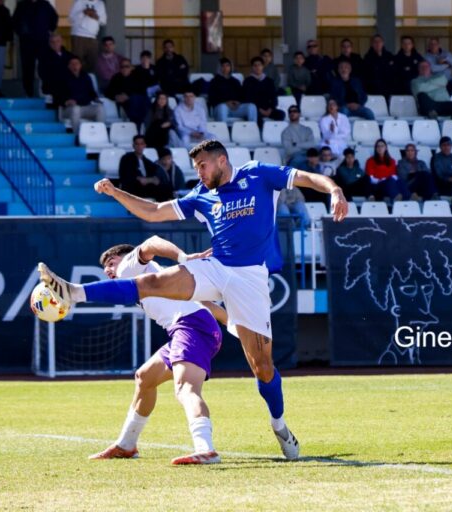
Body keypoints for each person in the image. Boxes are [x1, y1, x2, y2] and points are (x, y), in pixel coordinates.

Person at [38, 139, 350, 462]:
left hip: (250, 278)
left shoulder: (257, 174)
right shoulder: (201, 196)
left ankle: (280, 426)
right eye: (196, 167)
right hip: (216, 267)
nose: (199, 173)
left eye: (203, 166)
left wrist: (335, 190)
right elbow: (154, 212)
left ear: (222, 160)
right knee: (151, 282)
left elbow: (305, 178)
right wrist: (117, 193)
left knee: (263, 368)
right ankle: (73, 292)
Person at [88, 238, 225, 464]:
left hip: (191, 326)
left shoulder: (129, 268)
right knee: (145, 378)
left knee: (185, 389)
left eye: (111, 262)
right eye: (106, 267)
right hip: (190, 328)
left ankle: (206, 449)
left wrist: (183, 257)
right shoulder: (154, 278)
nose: (108, 269)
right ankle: (126, 445)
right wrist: (237, 327)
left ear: (126, 258)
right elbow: (206, 304)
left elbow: (151, 243)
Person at [12, 0, 58, 97]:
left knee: (44, 66)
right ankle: (28, 92)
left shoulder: (45, 4)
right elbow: (14, 21)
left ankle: (46, 91)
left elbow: (54, 17)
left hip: (42, 41)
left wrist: (49, 30)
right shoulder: (22, 5)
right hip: (26, 42)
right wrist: (20, 33)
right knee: (27, 67)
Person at [56, 56, 105, 132]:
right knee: (76, 109)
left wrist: (96, 98)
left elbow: (92, 92)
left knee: (100, 108)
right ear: (68, 66)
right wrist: (67, 101)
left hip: (85, 106)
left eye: (77, 63)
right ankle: (77, 135)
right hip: (68, 109)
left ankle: (100, 133)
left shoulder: (86, 77)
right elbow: (57, 96)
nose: (75, 66)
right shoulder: (62, 78)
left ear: (80, 65)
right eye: (72, 64)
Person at [119, 135, 173, 201]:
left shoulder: (147, 162)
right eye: (137, 144)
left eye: (141, 144)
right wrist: (140, 179)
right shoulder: (127, 158)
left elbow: (154, 176)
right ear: (133, 145)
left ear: (145, 145)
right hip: (133, 187)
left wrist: (150, 180)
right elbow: (126, 175)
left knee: (166, 188)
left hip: (146, 187)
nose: (139, 146)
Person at [208, 57, 257, 123]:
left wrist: (239, 102)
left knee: (251, 107)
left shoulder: (235, 81)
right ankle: (223, 131)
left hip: (236, 108)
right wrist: (225, 103)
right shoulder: (214, 81)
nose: (225, 68)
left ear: (231, 67)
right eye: (223, 66)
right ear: (219, 67)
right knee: (223, 107)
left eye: (227, 65)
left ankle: (252, 130)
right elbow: (212, 99)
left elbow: (242, 96)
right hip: (221, 107)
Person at [105, 58, 150, 129]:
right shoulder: (116, 78)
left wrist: (128, 96)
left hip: (138, 102)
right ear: (120, 68)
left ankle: (138, 125)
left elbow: (142, 90)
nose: (124, 69)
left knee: (139, 99)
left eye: (127, 66)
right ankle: (136, 126)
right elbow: (107, 92)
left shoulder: (137, 76)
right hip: (124, 105)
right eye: (122, 67)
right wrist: (116, 97)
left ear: (131, 67)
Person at [243, 56, 285, 126]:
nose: (257, 67)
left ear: (263, 66)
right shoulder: (247, 81)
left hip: (268, 109)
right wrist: (260, 110)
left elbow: (274, 97)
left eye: (259, 65)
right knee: (257, 118)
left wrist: (270, 109)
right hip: (255, 110)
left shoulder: (269, 81)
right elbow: (247, 99)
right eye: (255, 65)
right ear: (252, 67)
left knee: (281, 114)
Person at [68, 0, 106, 73]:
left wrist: (95, 15)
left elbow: (103, 21)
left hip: (93, 37)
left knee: (92, 63)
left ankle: (88, 82)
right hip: (78, 35)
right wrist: (83, 12)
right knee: (77, 62)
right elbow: (71, 19)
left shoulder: (100, 3)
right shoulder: (79, 2)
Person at [38, 33, 74, 99]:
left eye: (58, 41)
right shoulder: (44, 57)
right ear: (49, 43)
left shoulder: (70, 56)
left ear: (61, 42)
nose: (55, 44)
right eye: (52, 42)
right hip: (52, 88)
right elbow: (42, 74)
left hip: (68, 87)